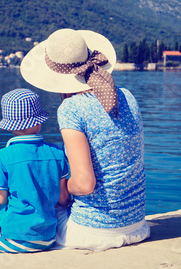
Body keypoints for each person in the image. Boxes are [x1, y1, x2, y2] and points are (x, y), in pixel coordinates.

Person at [20, 28, 150, 251]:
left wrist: (60, 186)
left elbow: (84, 184)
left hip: (95, 232)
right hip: (137, 225)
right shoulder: (127, 96)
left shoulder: (71, 108)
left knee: (37, 215)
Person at [0, 88, 71, 255]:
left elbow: (0, 199)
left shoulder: (4, 155)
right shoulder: (57, 153)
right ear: (39, 122)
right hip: (48, 236)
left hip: (16, 235)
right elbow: (63, 198)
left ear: (10, 125)